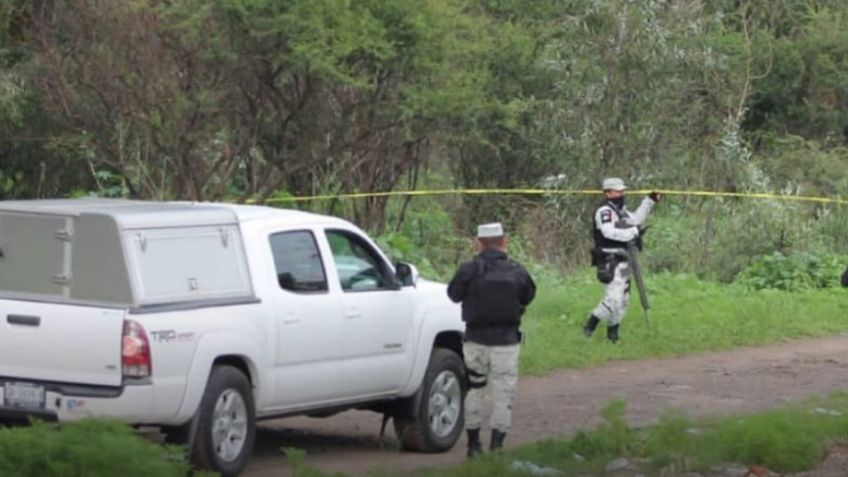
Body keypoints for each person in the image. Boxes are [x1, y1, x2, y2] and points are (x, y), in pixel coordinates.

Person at [447, 222, 536, 457]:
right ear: (504, 241)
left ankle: (473, 446)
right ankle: (496, 449)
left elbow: (453, 295)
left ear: (478, 244)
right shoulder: (517, 270)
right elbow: (528, 296)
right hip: (506, 342)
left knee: (474, 390)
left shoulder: (468, 269)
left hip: (475, 341)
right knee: (503, 393)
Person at [583, 178, 660, 343]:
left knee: (623, 300)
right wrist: (633, 233)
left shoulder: (621, 210)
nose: (621, 194)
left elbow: (636, 220)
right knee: (613, 298)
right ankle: (589, 327)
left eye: (622, 191)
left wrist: (649, 201)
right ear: (608, 193)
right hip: (610, 260)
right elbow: (608, 232)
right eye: (618, 191)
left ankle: (613, 334)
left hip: (627, 260)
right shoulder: (604, 211)